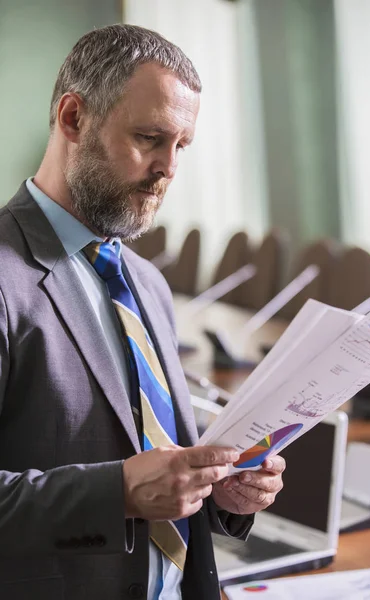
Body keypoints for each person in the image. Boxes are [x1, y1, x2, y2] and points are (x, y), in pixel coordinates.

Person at [0, 24, 285, 600]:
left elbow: (141, 454)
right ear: (73, 118)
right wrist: (118, 494)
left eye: (181, 146)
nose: (169, 168)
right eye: (151, 138)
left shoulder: (148, 284)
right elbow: (126, 484)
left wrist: (220, 490)